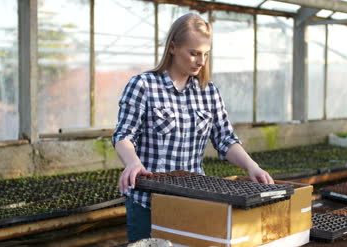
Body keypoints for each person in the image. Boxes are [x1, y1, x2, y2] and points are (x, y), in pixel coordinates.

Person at [112, 13, 274, 243]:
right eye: (194, 53)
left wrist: (252, 165)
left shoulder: (209, 92)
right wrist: (133, 162)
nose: (201, 61)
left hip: (193, 201)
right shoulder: (143, 85)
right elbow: (123, 135)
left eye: (206, 54)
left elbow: (225, 139)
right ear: (173, 47)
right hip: (149, 203)